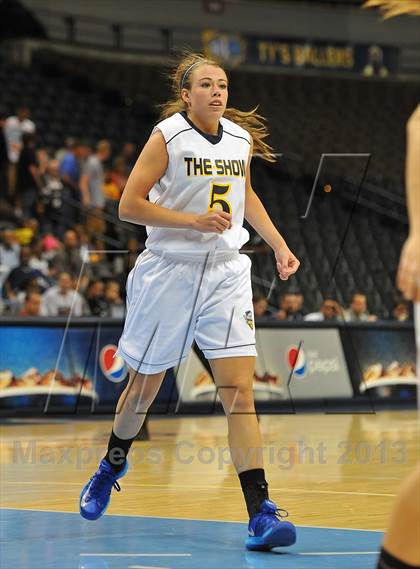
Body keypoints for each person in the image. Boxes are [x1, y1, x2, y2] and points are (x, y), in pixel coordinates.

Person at [79, 52, 300, 552]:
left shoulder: (239, 140)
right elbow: (128, 204)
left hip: (225, 272)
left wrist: (280, 244)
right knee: (142, 391)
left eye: (222, 84)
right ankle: (111, 465)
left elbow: (245, 193)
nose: (218, 92)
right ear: (187, 94)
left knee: (239, 395)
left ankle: (260, 513)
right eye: (206, 84)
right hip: (169, 270)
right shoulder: (168, 136)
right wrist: (192, 221)